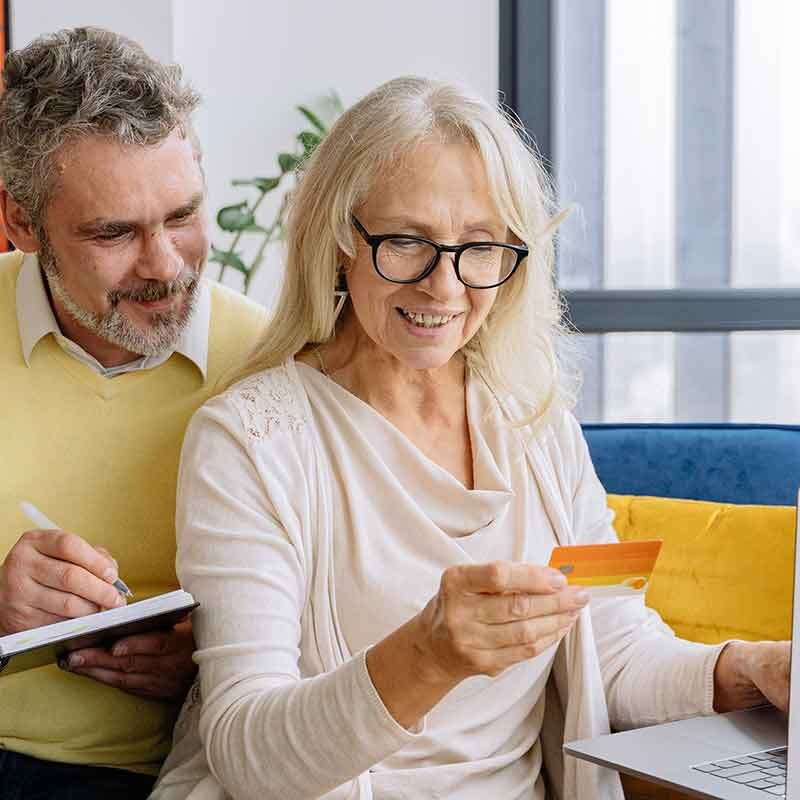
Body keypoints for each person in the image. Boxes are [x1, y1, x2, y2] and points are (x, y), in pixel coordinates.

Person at [151, 76, 789, 800]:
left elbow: (613, 649)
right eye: (406, 243)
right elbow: (247, 755)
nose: (445, 288)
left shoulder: (532, 422)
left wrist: (753, 667)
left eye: (480, 248)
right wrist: (428, 656)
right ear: (338, 241)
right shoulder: (251, 440)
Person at [0, 27, 266, 799]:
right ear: (19, 222)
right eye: (114, 232)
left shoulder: (277, 362)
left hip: (173, 771)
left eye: (181, 215)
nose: (166, 266)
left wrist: (214, 655)